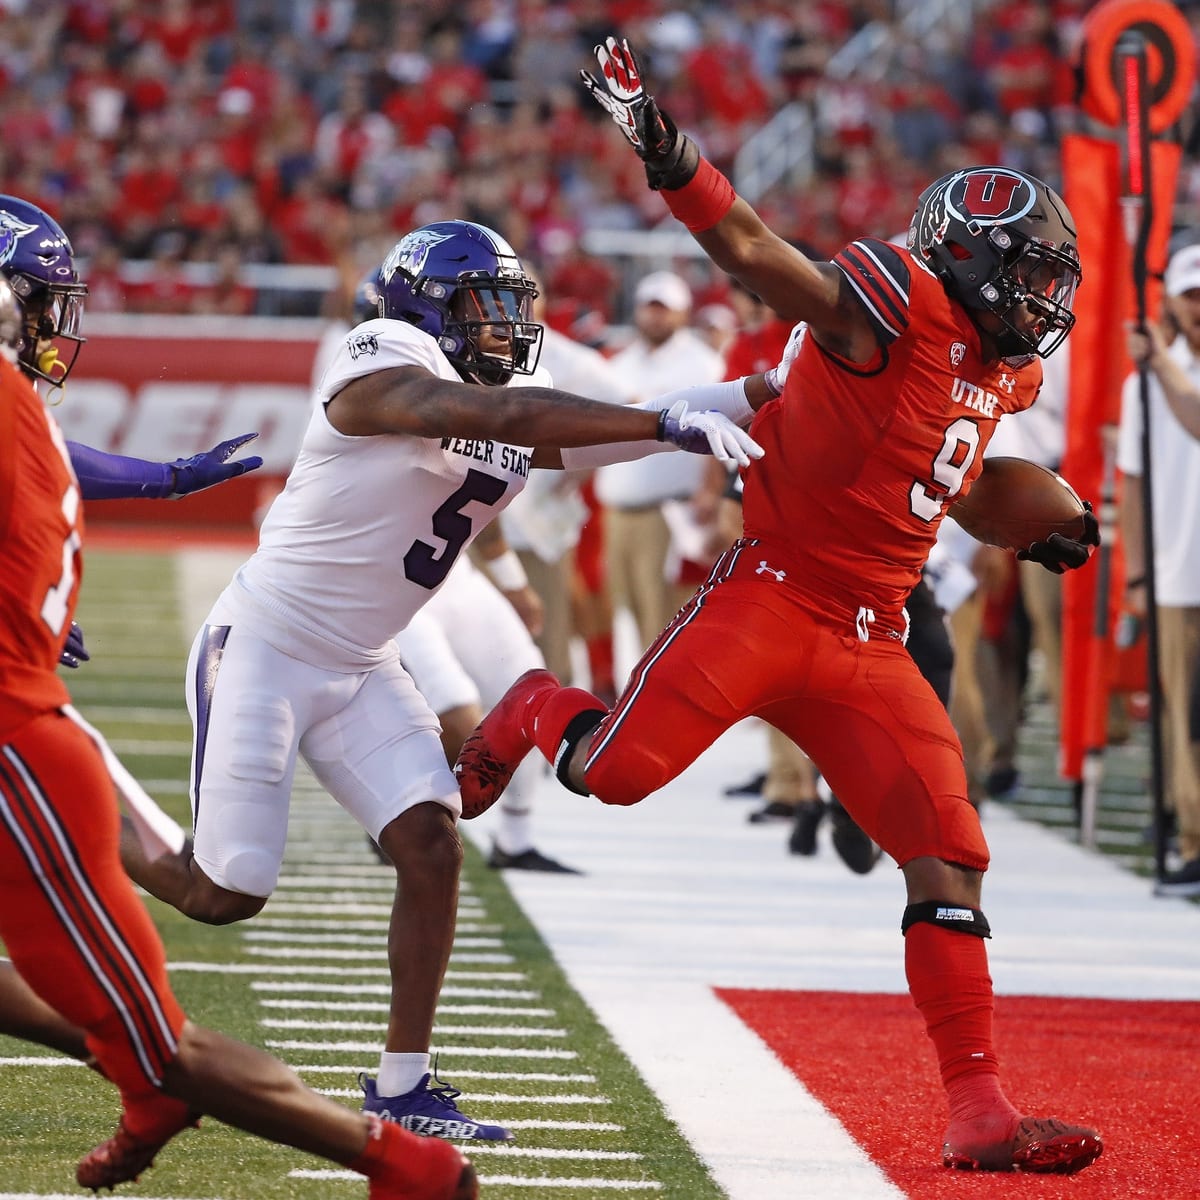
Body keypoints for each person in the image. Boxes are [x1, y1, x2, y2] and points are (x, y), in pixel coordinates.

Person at [456, 38, 1103, 1175]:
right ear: (962, 263)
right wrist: (665, 145)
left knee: (948, 856)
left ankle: (980, 1109)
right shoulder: (883, 313)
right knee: (614, 774)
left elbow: (934, 470)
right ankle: (530, 704)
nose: (1044, 295)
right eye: (1027, 270)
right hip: (772, 595)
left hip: (874, 631)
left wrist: (1028, 515)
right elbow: (751, 246)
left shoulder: (1006, 369)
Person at [115, 218, 760, 1141]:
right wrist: (664, 424)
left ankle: (402, 1084)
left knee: (430, 842)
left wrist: (754, 393)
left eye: (510, 309)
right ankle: (74, 807)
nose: (504, 327)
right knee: (225, 892)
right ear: (428, 306)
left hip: (363, 660)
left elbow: (570, 437)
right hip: (263, 645)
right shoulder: (383, 357)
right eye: (484, 308)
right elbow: (495, 419)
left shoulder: (494, 393)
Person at [0, 274, 477, 1200]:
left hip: (16, 754)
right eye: (47, 311)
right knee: (138, 1027)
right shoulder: (27, 424)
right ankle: (136, 1069)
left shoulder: (19, 420)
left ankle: (399, 1162)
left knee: (161, 1036)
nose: (60, 335)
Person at [1120, 241, 1200, 897]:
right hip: (1178, 568)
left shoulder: (1158, 377)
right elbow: (1134, 484)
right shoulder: (1140, 383)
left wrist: (1161, 370)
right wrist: (1138, 573)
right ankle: (1192, 835)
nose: (1199, 308)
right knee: (1183, 713)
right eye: (1191, 295)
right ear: (1171, 301)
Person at [594, 269, 726, 653]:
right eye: (649, 308)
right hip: (617, 511)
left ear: (683, 314)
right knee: (626, 614)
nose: (655, 317)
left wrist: (711, 491)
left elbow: (725, 431)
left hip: (670, 511)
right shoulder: (619, 364)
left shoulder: (704, 365)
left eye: (664, 309)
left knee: (665, 617)